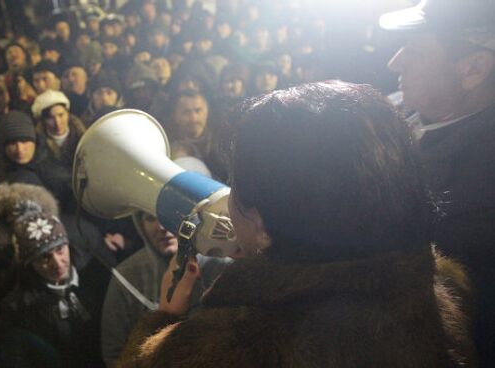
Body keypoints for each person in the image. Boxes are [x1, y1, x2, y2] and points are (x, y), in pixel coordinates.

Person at [119, 81, 473, 367]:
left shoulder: (222, 348)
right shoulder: (440, 290)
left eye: (236, 189)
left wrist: (163, 321)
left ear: (260, 223)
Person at [380, 1, 495, 364]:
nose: (394, 62)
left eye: (414, 51)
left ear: (473, 68)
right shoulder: (396, 111)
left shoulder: (478, 190)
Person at [100, 212, 230, 367]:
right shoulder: (126, 277)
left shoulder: (223, 267)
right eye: (150, 218)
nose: (161, 226)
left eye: (173, 215)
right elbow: (114, 354)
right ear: (140, 226)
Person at [0, 202, 104, 368]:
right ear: (30, 263)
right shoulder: (19, 308)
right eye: (45, 258)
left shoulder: (95, 276)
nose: (58, 263)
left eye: (60, 249)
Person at [31, 89, 86, 169]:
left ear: (67, 114)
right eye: (50, 118)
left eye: (61, 115)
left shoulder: (82, 136)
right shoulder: (38, 143)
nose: (57, 122)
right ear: (42, 120)